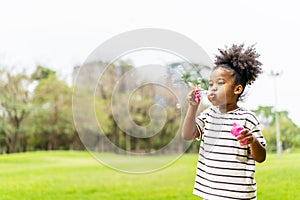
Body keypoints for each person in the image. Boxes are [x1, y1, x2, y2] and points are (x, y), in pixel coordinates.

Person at [182, 44, 266, 200]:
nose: (213, 88)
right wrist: (193, 108)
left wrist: (252, 140)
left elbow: (261, 157)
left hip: (238, 196)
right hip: (210, 194)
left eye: (220, 83)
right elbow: (187, 135)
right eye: (211, 84)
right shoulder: (208, 115)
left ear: (237, 89)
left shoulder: (247, 118)